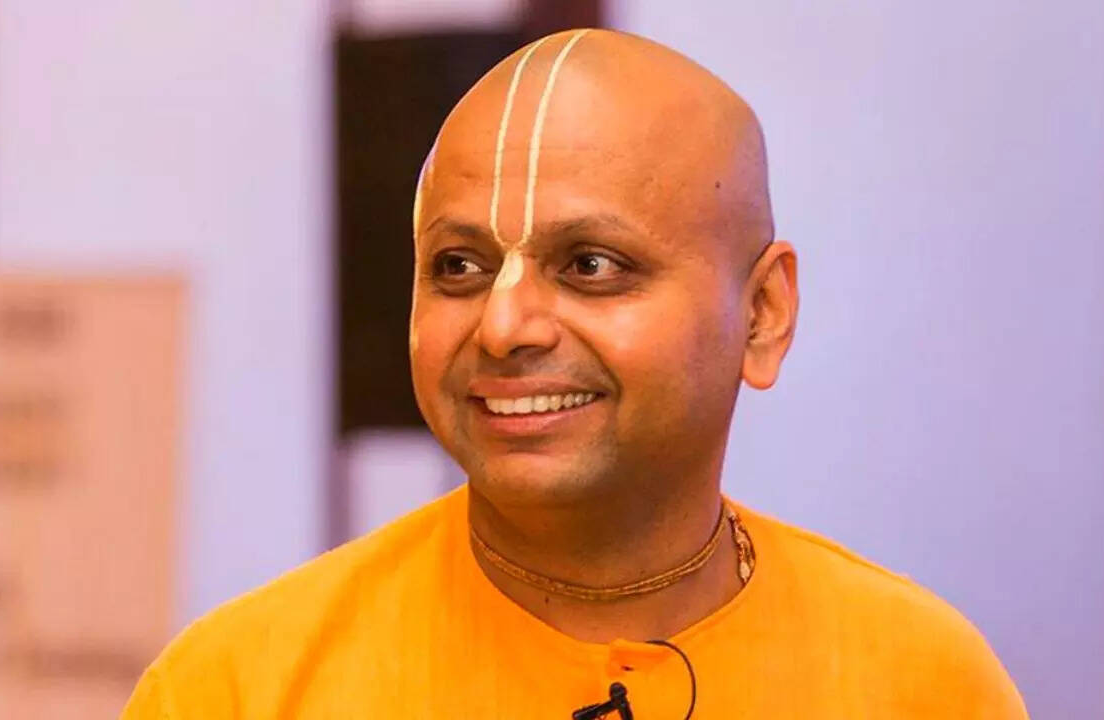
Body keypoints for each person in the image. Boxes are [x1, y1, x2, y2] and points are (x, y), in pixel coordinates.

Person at [121, 28, 1027, 718]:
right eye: (458, 268)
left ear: (762, 313)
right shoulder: (242, 688)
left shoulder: (919, 681)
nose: (503, 326)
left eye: (591, 265)